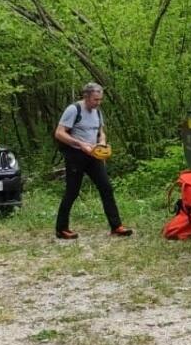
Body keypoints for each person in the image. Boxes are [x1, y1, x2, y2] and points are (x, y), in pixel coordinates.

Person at [54, 83, 132, 239]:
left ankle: (116, 226)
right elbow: (59, 133)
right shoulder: (73, 110)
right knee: (72, 191)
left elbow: (101, 132)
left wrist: (102, 142)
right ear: (86, 96)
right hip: (76, 155)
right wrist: (80, 144)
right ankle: (61, 229)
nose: (98, 103)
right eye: (95, 99)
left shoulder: (97, 112)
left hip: (94, 155)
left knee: (106, 188)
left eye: (100, 100)